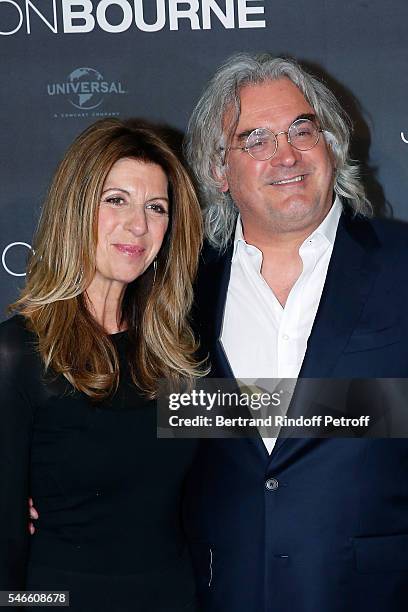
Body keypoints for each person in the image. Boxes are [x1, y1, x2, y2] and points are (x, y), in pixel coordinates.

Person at [182, 53, 408, 611]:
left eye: (302, 130)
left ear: (330, 143)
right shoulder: (178, 288)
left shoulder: (403, 264)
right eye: (255, 140)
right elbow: (151, 425)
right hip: (219, 591)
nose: (286, 154)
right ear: (218, 168)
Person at [0, 117, 205, 611]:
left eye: (155, 208)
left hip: (174, 596)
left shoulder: (176, 352)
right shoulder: (18, 355)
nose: (138, 225)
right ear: (75, 208)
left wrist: (385, 407)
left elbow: (269, 420)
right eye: (116, 200)